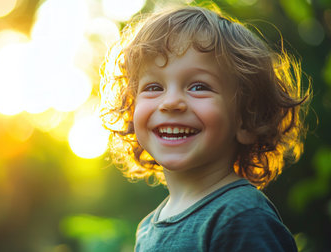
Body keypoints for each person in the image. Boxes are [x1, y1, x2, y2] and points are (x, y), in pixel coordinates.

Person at [100, 3, 310, 251]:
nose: (171, 102)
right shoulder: (147, 230)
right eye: (154, 87)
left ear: (246, 119)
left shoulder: (241, 216)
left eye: (198, 86)